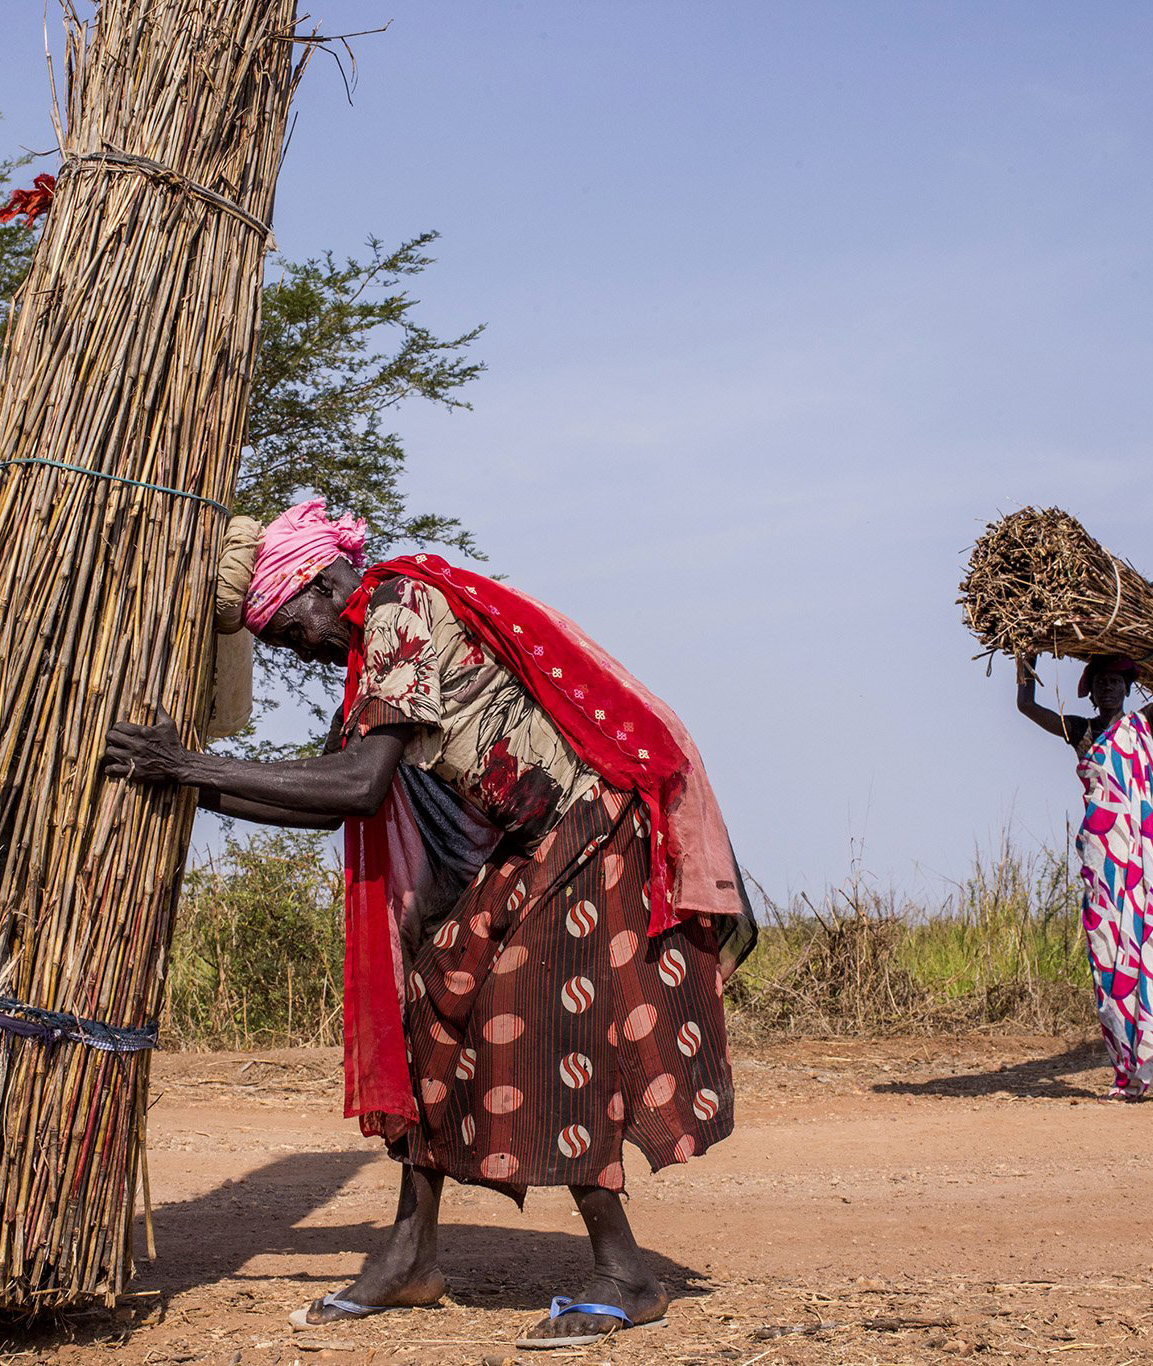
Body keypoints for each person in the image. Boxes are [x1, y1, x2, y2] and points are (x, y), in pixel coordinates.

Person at [104, 501, 753, 1351]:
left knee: (542, 1024)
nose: (294, 647)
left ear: (318, 583)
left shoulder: (402, 612)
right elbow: (325, 803)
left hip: (593, 828)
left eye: (285, 627)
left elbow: (356, 787)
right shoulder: (377, 646)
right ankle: (411, 1253)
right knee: (437, 1003)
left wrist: (186, 764)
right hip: (539, 843)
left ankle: (626, 1275)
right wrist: (178, 782)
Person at [1014, 579, 1153, 1104]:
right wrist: (1025, 647)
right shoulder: (1080, 733)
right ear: (1092, 688)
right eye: (1100, 681)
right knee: (1113, 964)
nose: (1107, 690)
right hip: (1104, 870)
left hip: (1149, 863)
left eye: (1115, 683)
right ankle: (1129, 1074)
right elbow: (1025, 704)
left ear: (1128, 689)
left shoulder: (1144, 724)